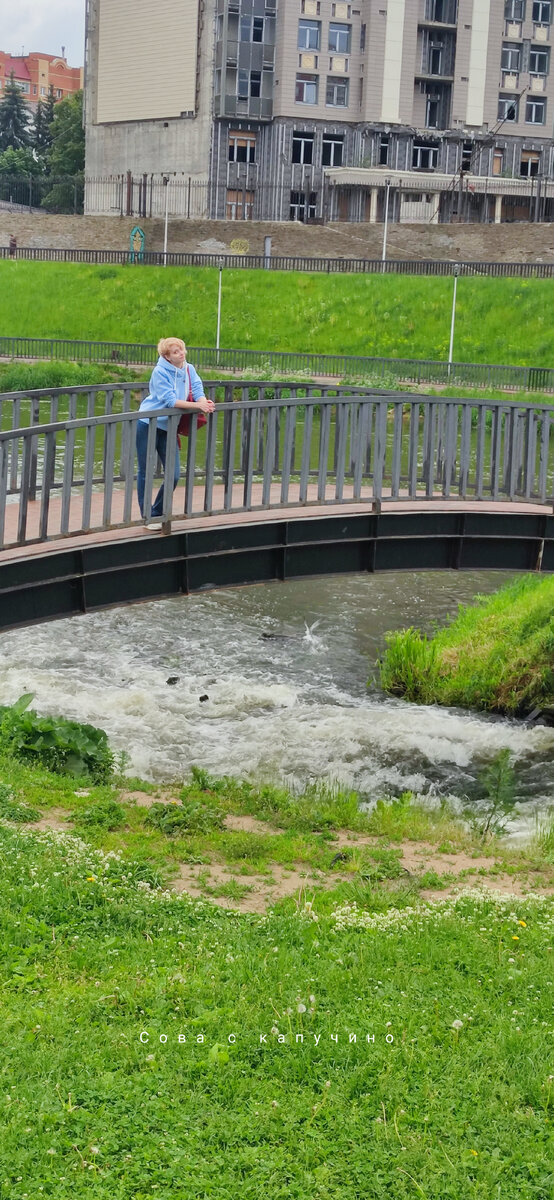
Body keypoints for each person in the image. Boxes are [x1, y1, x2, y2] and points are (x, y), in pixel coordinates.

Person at [136, 337, 215, 529]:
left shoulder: (189, 368)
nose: (181, 353)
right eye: (175, 351)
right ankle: (148, 517)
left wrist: (203, 401)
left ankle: (158, 511)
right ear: (167, 357)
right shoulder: (160, 371)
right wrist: (198, 405)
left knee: (173, 475)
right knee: (146, 471)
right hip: (148, 422)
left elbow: (196, 388)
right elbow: (170, 401)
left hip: (170, 426)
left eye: (182, 349)